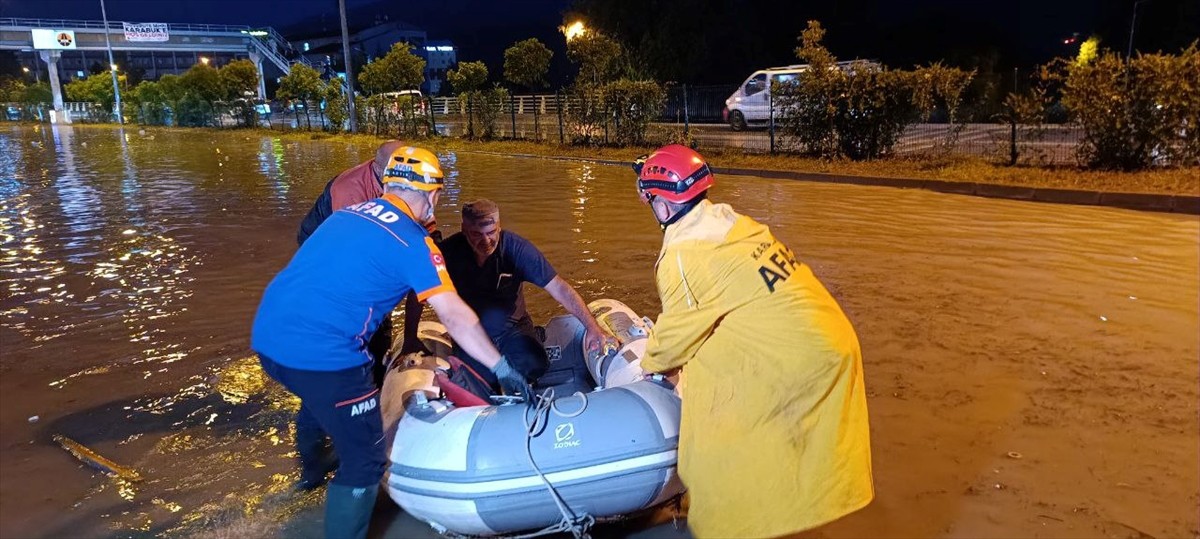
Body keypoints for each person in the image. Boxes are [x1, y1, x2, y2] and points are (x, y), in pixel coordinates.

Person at [252, 146, 529, 539]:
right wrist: (503, 368)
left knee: (320, 403)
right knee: (365, 458)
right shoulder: (415, 241)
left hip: (268, 337)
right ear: (432, 194)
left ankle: (310, 480)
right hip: (323, 353)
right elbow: (454, 315)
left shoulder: (346, 214)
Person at [631, 145, 874, 538]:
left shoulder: (683, 254)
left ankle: (739, 525)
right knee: (790, 455)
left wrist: (648, 364)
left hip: (795, 363)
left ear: (663, 203)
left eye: (652, 198)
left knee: (725, 455)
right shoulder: (731, 222)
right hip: (828, 341)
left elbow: (674, 337)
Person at [403, 199, 610, 392]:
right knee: (475, 380)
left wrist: (593, 328)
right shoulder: (447, 253)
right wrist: (410, 338)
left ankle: (530, 348)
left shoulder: (517, 249)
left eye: (491, 232)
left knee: (534, 363)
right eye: (477, 234)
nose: (486, 241)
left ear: (499, 227)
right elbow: (416, 294)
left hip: (513, 329)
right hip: (471, 335)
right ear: (464, 230)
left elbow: (560, 289)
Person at [296, 139, 438, 387]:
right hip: (325, 244)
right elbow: (350, 261)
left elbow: (424, 272)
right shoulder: (351, 192)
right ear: (379, 169)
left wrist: (410, 337)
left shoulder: (411, 191)